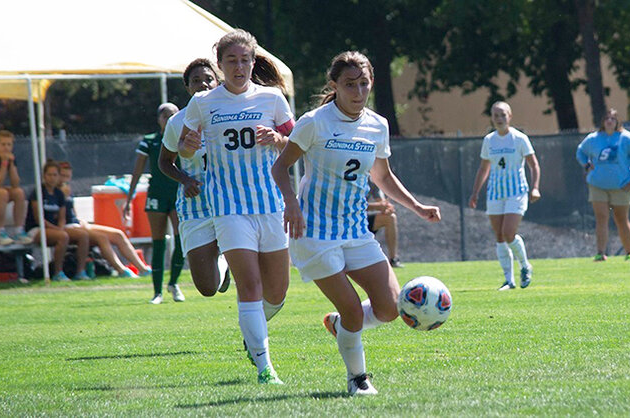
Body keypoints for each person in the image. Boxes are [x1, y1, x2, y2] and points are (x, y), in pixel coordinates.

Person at [271, 51, 441, 396]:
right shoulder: (315, 121)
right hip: (314, 233)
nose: (358, 91)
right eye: (350, 84)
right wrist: (291, 204)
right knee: (351, 309)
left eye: (364, 83)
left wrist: (416, 206)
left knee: (390, 308)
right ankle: (358, 378)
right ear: (334, 85)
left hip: (355, 231)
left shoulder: (377, 125)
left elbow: (383, 175)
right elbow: (280, 167)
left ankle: (340, 327)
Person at [178, 30, 295, 385]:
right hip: (228, 208)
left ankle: (252, 335)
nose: (239, 66)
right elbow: (183, 149)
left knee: (277, 292)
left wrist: (277, 139)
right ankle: (265, 367)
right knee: (251, 286)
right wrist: (189, 144)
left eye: (245, 60)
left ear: (253, 61)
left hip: (270, 204)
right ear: (221, 64)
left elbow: (294, 144)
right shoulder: (203, 103)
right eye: (232, 60)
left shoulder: (273, 99)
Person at [158, 58, 230, 297]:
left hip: (231, 203)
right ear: (188, 88)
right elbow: (164, 162)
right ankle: (223, 262)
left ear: (218, 82)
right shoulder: (177, 122)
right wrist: (185, 180)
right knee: (208, 288)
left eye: (208, 79)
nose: (203, 84)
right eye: (196, 80)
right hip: (195, 206)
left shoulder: (231, 115)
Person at [469, 101, 540, 291]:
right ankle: (509, 280)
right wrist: (475, 192)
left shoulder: (519, 138)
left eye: (503, 115)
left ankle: (525, 266)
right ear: (492, 118)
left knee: (509, 233)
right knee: (499, 236)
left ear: (510, 116)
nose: (499, 118)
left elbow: (534, 165)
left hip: (516, 192)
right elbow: (484, 168)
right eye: (496, 115)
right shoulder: (489, 140)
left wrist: (535, 187)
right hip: (495, 193)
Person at [124, 102, 186, 304]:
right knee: (158, 242)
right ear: (158, 119)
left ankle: (174, 283)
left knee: (181, 240)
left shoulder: (184, 139)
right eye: (165, 116)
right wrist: (128, 200)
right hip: (157, 195)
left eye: (173, 115)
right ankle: (157, 292)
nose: (169, 119)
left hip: (178, 194)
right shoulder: (150, 141)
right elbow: (137, 171)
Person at [576, 108, 630, 262]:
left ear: (617, 122)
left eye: (613, 119)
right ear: (602, 122)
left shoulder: (626, 138)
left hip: (622, 185)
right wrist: (587, 165)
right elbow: (580, 152)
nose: (609, 121)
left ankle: (629, 253)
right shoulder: (593, 139)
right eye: (607, 118)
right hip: (598, 185)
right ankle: (600, 253)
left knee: (621, 219)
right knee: (601, 218)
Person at [58, 161, 151, 278]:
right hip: (66, 228)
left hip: (76, 224)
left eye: (68, 176)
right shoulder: (56, 192)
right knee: (101, 238)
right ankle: (122, 270)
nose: (65, 179)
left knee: (118, 234)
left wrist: (81, 221)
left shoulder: (67, 189)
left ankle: (142, 268)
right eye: (63, 176)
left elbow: (72, 212)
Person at [24, 161, 89, 281]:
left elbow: (62, 217)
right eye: (49, 175)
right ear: (44, 176)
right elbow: (39, 219)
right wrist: (57, 229)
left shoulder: (59, 193)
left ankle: (81, 272)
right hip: (37, 229)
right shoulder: (38, 192)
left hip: (55, 229)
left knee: (83, 235)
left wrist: (60, 227)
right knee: (62, 236)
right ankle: (58, 272)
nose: (52, 178)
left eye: (55, 175)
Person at [0, 130, 32, 245]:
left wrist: (11, 165)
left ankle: (19, 231)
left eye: (9, 144)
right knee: (2, 193)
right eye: (3, 144)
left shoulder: (10, 158)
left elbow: (15, 183)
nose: (6, 147)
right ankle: (0, 233)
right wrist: (4, 163)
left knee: (19, 192)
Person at [366, 181, 403, 267]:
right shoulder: (351, 177)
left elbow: (382, 203)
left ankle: (393, 259)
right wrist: (377, 206)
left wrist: (386, 207)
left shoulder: (371, 180)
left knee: (390, 218)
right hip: (345, 222)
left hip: (363, 222)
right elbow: (350, 205)